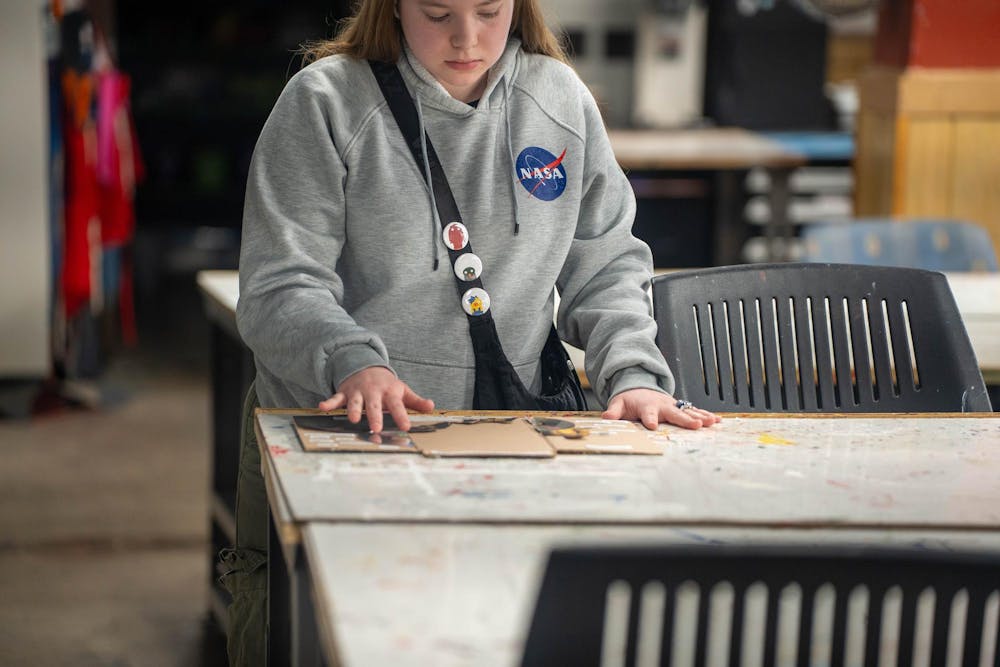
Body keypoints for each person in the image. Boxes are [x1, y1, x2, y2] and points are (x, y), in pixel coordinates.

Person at [220, 0, 720, 663]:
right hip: (339, 432)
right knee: (322, 638)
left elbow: (605, 265)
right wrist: (351, 360)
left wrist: (632, 371)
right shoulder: (325, 102)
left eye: (488, 11)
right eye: (437, 12)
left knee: (490, 635)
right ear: (394, 7)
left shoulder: (558, 100)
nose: (466, 37)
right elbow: (278, 284)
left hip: (505, 442)